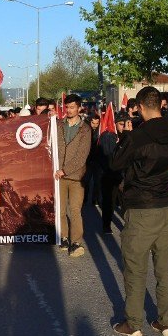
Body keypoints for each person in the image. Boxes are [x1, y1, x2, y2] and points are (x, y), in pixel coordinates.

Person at [110, 86, 168, 336]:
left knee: (135, 268)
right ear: (161, 105)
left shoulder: (138, 136)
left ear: (141, 106)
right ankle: (166, 322)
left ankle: (133, 324)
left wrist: (125, 137)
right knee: (166, 269)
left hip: (142, 207)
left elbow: (115, 163)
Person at [56, 94, 91, 257]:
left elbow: (81, 156)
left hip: (76, 177)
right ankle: (63, 237)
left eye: (71, 107)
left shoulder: (85, 129)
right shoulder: (57, 125)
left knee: (75, 209)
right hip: (59, 176)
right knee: (61, 210)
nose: (68, 110)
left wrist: (65, 170)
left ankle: (76, 241)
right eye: (66, 107)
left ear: (78, 108)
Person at [99, 112, 130, 233]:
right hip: (110, 175)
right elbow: (109, 157)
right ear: (115, 124)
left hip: (124, 175)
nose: (124, 127)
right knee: (109, 202)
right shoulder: (108, 136)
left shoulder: (130, 135)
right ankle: (106, 225)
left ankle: (128, 225)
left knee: (127, 203)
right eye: (121, 124)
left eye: (127, 124)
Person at [81, 113, 102, 214]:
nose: (95, 125)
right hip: (88, 160)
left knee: (97, 182)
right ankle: (85, 199)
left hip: (97, 160)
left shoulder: (100, 131)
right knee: (86, 181)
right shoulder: (86, 131)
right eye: (93, 123)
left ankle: (95, 199)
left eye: (97, 123)